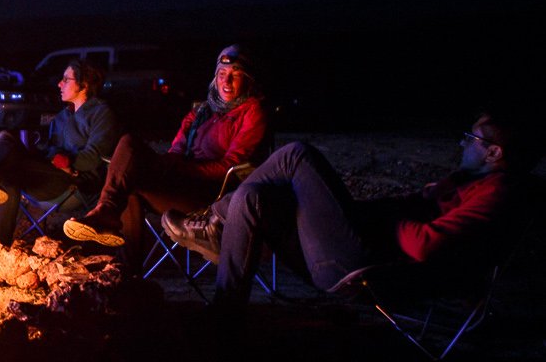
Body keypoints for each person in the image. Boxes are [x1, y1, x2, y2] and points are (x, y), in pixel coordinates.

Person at [162, 108, 540, 313]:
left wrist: (391, 215)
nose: (463, 143)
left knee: (296, 155)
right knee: (254, 198)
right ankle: (225, 321)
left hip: (366, 268)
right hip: (353, 255)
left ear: (494, 153)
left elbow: (426, 245)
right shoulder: (467, 183)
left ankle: (214, 221)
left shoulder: (498, 193)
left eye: (472, 138)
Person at [63, 44, 270, 253]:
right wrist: (172, 165)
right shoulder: (202, 112)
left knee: (130, 143)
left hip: (211, 196)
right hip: (180, 184)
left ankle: (105, 211)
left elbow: (232, 166)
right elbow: (176, 151)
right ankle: (130, 276)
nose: (226, 80)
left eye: (235, 74)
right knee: (129, 183)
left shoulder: (252, 112)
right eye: (222, 73)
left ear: (248, 79)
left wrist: (181, 168)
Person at [0, 60, 120, 242]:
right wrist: (38, 151)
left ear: (84, 84)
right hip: (49, 175)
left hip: (74, 182)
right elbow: (50, 151)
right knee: (6, 139)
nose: (59, 84)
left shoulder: (101, 113)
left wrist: (66, 162)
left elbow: (94, 157)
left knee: (11, 171)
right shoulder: (62, 117)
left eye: (66, 80)